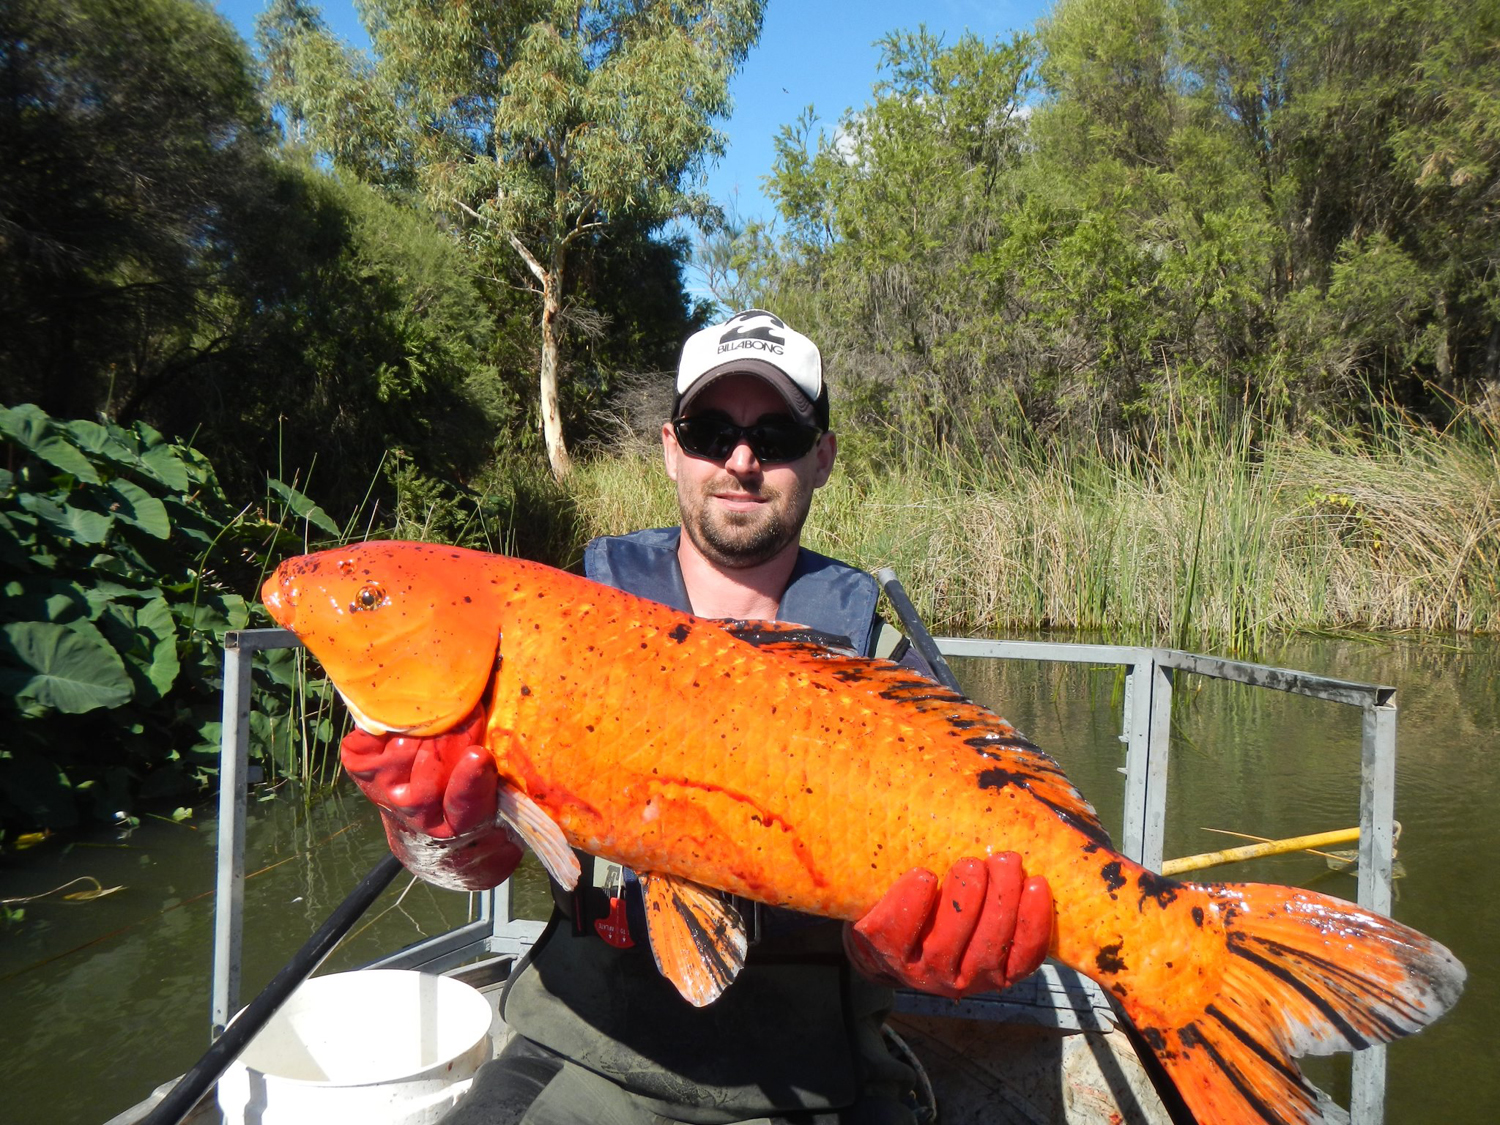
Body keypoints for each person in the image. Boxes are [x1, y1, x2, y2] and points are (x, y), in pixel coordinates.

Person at [341, 310, 1055, 1125]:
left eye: (777, 433)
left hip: (822, 1076)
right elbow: (477, 857)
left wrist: (925, 956)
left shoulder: (885, 667)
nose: (741, 460)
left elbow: (965, 925)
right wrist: (429, 834)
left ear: (822, 457)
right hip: (585, 1047)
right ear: (672, 446)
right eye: (711, 429)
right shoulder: (559, 628)